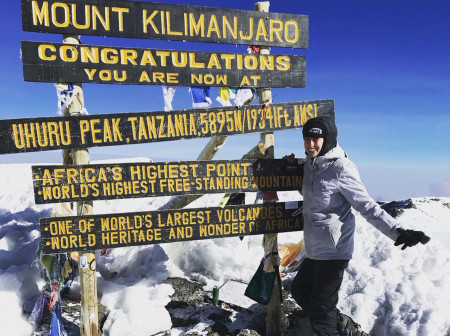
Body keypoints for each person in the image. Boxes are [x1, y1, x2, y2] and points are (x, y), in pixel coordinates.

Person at [285, 116, 430, 336]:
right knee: (300, 290)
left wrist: (398, 232)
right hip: (314, 249)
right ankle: (341, 325)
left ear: (329, 139)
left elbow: (367, 206)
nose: (310, 144)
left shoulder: (341, 168)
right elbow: (314, 195)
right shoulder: (309, 166)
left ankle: (331, 327)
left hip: (334, 251)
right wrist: (290, 167)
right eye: (307, 138)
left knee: (322, 310)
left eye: (316, 139)